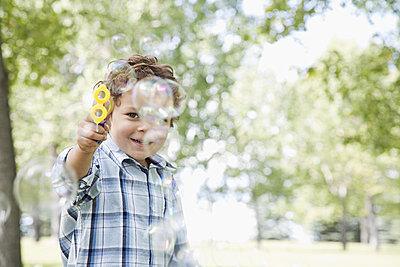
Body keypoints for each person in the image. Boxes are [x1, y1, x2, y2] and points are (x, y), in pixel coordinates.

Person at [52, 54, 188, 266]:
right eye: (133, 115)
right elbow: (70, 179)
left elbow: (177, 251)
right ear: (107, 115)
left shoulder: (165, 177)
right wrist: (83, 148)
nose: (145, 127)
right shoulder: (94, 161)